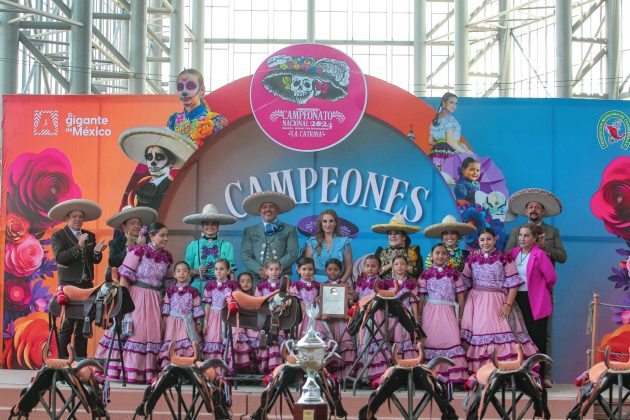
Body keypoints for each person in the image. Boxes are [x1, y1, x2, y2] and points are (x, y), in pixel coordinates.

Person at [459, 228, 538, 375]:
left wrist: (508, 305)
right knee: (480, 333)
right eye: (482, 240)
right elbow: (464, 281)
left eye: (488, 239)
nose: (485, 243)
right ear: (478, 241)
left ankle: (506, 373)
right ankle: (482, 373)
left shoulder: (504, 258)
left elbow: (513, 283)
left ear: (495, 239)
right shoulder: (472, 258)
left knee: (502, 333)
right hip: (477, 302)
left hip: (498, 301)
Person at [94, 205, 156, 363]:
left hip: (142, 292)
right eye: (133, 223)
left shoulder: (149, 242)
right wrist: (129, 247)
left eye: (139, 223)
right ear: (123, 225)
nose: (136, 226)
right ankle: (115, 362)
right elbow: (113, 261)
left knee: (139, 327)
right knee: (122, 324)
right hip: (123, 289)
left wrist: (143, 247)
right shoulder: (116, 242)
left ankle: (134, 362)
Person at [117, 222, 174, 384]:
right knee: (138, 333)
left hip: (156, 299)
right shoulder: (138, 251)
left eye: (167, 235)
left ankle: (149, 374)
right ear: (152, 236)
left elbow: (169, 281)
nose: (166, 238)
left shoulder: (167, 256)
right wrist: (124, 302)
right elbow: (124, 277)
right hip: (137, 297)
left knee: (154, 334)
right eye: (162, 235)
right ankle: (132, 373)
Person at [49, 199, 105, 358]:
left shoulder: (90, 235)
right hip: (69, 286)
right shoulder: (59, 235)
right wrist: (78, 247)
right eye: (74, 216)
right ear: (67, 219)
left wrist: (96, 252)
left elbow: (94, 260)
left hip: (86, 286)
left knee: (83, 325)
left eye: (80, 216)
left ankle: (81, 361)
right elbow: (60, 257)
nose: (78, 219)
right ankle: (63, 360)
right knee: (67, 325)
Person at [509, 224, 557, 385]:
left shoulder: (540, 254)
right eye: (521, 235)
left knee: (537, 338)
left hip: (535, 300)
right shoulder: (513, 253)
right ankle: (520, 375)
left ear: (535, 238)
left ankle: (540, 377)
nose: (522, 238)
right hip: (517, 300)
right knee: (519, 337)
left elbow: (551, 278)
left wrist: (541, 290)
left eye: (526, 236)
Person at [418, 243, 468, 385]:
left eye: (443, 253)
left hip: (449, 311)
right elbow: (421, 296)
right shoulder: (425, 274)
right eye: (437, 253)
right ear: (432, 256)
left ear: (447, 256)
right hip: (430, 311)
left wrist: (461, 315)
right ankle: (431, 375)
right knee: (431, 341)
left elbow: (461, 295)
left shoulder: (454, 274)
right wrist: (419, 315)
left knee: (452, 340)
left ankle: (452, 377)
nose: (440, 256)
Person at [118, 128, 200, 211]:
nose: (153, 162)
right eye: (149, 157)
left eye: (159, 157)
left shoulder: (175, 188)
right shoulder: (141, 186)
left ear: (171, 162)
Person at [240, 191, 299, 283]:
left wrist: (275, 269)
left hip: (281, 278)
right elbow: (245, 255)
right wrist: (260, 270)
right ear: (259, 211)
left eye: (271, 206)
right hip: (256, 278)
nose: (268, 209)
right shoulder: (250, 230)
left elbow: (292, 253)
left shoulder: (289, 229)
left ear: (278, 210)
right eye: (264, 207)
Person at [183, 203, 238, 296]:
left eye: (213, 223)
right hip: (198, 288)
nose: (210, 226)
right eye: (206, 223)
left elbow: (231, 273)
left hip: (221, 289)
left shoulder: (227, 246)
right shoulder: (193, 246)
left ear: (218, 225)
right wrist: (197, 271)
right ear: (202, 225)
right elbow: (185, 271)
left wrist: (232, 291)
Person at [167, 68, 228, 147]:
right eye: (180, 87)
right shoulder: (173, 120)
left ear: (202, 90)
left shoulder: (216, 121)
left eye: (190, 86)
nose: (184, 92)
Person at [159, 261, 204, 368]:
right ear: (174, 274)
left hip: (187, 322)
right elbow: (166, 306)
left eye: (185, 271)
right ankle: (170, 369)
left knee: (187, 344)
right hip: (172, 322)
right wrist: (164, 321)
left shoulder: (194, 291)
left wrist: (198, 323)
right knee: (172, 344)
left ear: (189, 274)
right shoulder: (170, 290)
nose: (181, 273)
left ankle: (187, 369)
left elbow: (197, 307)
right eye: (178, 271)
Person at [504, 188, 567, 265]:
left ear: (543, 212)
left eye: (537, 207)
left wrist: (544, 247)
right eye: (530, 207)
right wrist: (523, 249)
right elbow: (507, 252)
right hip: (522, 275)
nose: (534, 209)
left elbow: (563, 257)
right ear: (526, 212)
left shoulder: (553, 231)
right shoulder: (516, 230)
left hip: (544, 275)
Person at [354, 255, 388, 382]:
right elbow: (357, 298)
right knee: (363, 340)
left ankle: (376, 375)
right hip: (363, 314)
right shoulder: (360, 282)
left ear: (379, 269)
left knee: (374, 340)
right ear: (364, 267)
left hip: (376, 314)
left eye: (373, 266)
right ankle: (363, 376)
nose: (370, 269)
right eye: (367, 266)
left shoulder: (381, 283)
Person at [321, 258, 355, 376]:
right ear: (325, 271)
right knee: (332, 343)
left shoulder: (345, 285)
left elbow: (352, 302)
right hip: (329, 322)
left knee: (345, 344)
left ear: (341, 271)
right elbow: (319, 303)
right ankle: (330, 374)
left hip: (342, 321)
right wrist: (319, 302)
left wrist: (351, 296)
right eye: (329, 269)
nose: (333, 272)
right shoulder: (322, 286)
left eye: (336, 269)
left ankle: (345, 375)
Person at [303, 209, 353, 283]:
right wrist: (313, 283)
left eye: (331, 221)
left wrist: (340, 282)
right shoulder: (312, 242)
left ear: (335, 223)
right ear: (321, 223)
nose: (328, 224)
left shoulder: (344, 242)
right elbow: (307, 265)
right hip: (315, 282)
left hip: (337, 283)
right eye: (325, 221)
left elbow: (349, 266)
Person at [202, 259, 237, 361]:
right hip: (213, 317)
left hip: (228, 316)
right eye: (216, 269)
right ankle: (213, 368)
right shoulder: (210, 286)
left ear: (228, 271)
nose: (218, 271)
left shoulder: (232, 285)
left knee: (227, 340)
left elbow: (236, 302)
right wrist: (205, 322)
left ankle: (226, 366)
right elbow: (207, 305)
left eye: (221, 269)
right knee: (212, 339)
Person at [428, 92, 473, 170]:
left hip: (435, 153)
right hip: (449, 153)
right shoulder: (450, 120)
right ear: (444, 103)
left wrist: (441, 145)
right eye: (451, 102)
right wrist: (465, 152)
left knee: (439, 177)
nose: (454, 106)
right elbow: (450, 141)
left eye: (456, 103)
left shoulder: (435, 120)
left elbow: (430, 142)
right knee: (450, 177)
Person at [372, 213, 423, 280]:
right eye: (390, 234)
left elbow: (418, 272)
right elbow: (374, 272)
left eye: (396, 233)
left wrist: (400, 264)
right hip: (384, 289)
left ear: (404, 237)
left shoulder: (413, 251)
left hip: (407, 289)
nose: (393, 236)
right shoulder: (381, 252)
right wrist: (391, 264)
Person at [255, 259, 285, 374]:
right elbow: (256, 302)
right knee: (264, 341)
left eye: (277, 269)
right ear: (266, 271)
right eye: (271, 269)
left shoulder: (284, 286)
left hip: (279, 320)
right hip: (264, 319)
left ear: (281, 270)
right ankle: (264, 372)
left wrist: (283, 306)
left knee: (276, 341)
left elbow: (288, 299)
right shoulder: (261, 286)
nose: (274, 272)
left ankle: (277, 372)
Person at [290, 257, 327, 339]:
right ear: (298, 270)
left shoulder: (318, 285)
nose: (307, 272)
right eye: (304, 269)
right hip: (303, 315)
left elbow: (319, 301)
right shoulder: (296, 285)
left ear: (314, 270)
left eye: (310, 269)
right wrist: (311, 315)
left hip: (316, 314)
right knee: (304, 338)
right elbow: (298, 302)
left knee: (318, 337)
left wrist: (317, 302)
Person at [390, 255, 419, 359]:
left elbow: (414, 302)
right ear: (392, 267)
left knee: (408, 335)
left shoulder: (411, 284)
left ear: (407, 267)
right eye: (396, 264)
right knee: (393, 338)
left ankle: (409, 362)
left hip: (407, 314)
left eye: (402, 264)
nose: (399, 266)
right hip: (392, 317)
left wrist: (415, 320)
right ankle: (395, 362)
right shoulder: (388, 284)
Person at [229, 272, 259, 373]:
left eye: (249, 281)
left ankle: (252, 371)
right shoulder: (235, 298)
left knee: (256, 337)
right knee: (237, 337)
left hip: (252, 325)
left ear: (253, 283)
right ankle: (238, 370)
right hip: (239, 325)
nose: (245, 283)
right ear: (238, 283)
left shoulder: (256, 298)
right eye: (242, 281)